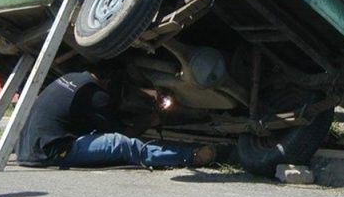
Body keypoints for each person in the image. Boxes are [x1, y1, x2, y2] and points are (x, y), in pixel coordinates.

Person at [15, 71, 215, 169]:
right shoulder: (96, 94)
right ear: (108, 83)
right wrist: (148, 121)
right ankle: (190, 156)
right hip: (52, 152)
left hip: (27, 149)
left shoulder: (73, 77)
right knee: (120, 145)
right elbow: (121, 134)